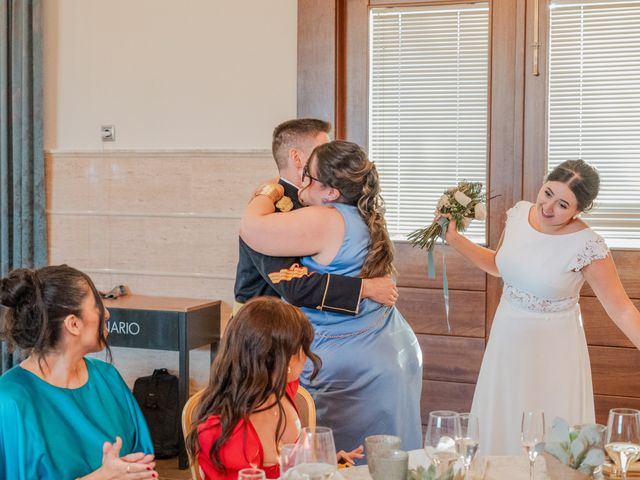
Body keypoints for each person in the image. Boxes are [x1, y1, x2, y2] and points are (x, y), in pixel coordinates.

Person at [439, 159, 640, 455]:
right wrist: (454, 238)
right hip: (506, 342)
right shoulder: (519, 213)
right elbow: (499, 265)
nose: (547, 208)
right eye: (547, 193)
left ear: (579, 211)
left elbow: (622, 310)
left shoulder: (588, 245)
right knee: (503, 423)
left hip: (554, 354)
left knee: (549, 434)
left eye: (562, 205)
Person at [240, 140, 423, 453]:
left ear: (331, 192)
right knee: (389, 458)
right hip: (391, 347)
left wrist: (266, 192)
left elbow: (250, 228)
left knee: (346, 456)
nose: (301, 183)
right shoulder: (362, 214)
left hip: (352, 363)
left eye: (309, 177)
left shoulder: (326, 218)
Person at [0, 265, 156, 480]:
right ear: (73, 324)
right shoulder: (10, 403)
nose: (107, 313)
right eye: (97, 305)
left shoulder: (108, 378)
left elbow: (143, 462)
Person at [233, 118, 398, 317]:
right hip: (262, 321)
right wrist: (364, 288)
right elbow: (292, 283)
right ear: (296, 157)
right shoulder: (271, 207)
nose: (329, 156)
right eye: (322, 149)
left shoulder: (335, 205)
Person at [186, 297, 359, 480]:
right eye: (303, 348)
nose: (307, 357)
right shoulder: (225, 431)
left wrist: (326, 465)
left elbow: (295, 465)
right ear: (283, 359)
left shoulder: (285, 389)